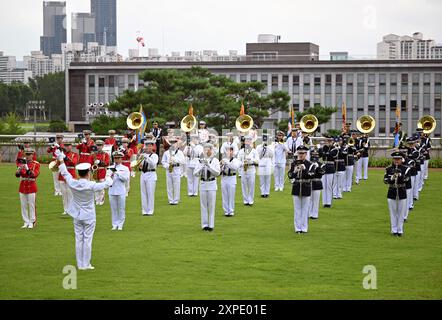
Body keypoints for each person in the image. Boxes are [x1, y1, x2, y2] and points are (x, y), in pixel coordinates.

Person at [55, 151, 113, 270]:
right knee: (87, 240)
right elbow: (107, 184)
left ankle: (80, 264)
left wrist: (61, 160)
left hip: (77, 214)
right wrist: (109, 174)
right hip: (89, 216)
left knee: (79, 239)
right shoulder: (91, 185)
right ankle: (85, 264)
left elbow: (65, 173)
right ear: (88, 173)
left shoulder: (73, 183)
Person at [288, 145, 315, 234]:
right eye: (299, 153)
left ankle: (304, 228)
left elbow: (311, 175)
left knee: (305, 208)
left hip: (306, 186)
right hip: (296, 186)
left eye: (303, 153)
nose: (301, 155)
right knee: (297, 209)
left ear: (306, 154)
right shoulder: (294, 163)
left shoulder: (310, 164)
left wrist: (305, 169)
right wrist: (295, 171)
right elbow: (290, 175)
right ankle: (297, 228)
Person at [193, 143, 221, 231]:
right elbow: (195, 173)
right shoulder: (200, 161)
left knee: (211, 206)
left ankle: (211, 225)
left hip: (212, 184)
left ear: (211, 150)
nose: (206, 151)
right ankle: (204, 225)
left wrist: (208, 165)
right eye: (204, 149)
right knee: (203, 205)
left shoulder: (215, 160)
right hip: (203, 183)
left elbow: (217, 173)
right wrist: (202, 166)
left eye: (208, 149)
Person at [383, 151, 410, 237]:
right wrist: (392, 177)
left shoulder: (406, 169)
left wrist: (400, 175)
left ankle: (400, 230)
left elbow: (406, 179)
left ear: (401, 159)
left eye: (398, 159)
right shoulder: (389, 169)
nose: (396, 161)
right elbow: (385, 180)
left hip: (402, 192)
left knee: (401, 212)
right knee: (393, 212)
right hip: (392, 192)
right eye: (395, 159)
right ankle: (394, 230)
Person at [15, 148, 40, 229]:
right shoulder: (21, 163)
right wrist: (19, 170)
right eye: (27, 154)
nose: (28, 156)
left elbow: (34, 174)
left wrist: (27, 168)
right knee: (23, 205)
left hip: (31, 186)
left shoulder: (36, 164)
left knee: (32, 205)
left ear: (32, 155)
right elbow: (17, 175)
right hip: (23, 185)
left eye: (29, 154)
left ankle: (32, 222)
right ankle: (26, 221)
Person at [108, 151, 130, 230]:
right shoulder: (110, 167)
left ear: (121, 159)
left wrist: (117, 173)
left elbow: (125, 179)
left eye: (118, 158)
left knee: (121, 208)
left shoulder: (125, 168)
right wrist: (110, 176)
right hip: (112, 190)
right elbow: (107, 179)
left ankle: (120, 224)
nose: (116, 160)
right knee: (113, 208)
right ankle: (114, 224)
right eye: (115, 158)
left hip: (120, 190)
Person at [161, 138, 185, 205]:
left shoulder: (180, 152)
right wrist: (167, 166)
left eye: (174, 143)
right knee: (169, 185)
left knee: (176, 185)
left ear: (176, 144)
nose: (173, 144)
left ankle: (176, 200)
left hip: (177, 168)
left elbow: (183, 161)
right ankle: (170, 200)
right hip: (169, 169)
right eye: (171, 143)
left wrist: (175, 159)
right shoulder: (166, 153)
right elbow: (163, 161)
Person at [237, 136, 259, 206]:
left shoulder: (254, 151)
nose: (247, 143)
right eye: (246, 141)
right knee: (244, 186)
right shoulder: (241, 151)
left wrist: (251, 160)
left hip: (251, 169)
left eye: (249, 141)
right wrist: (243, 163)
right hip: (243, 169)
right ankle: (245, 200)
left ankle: (251, 200)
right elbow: (238, 161)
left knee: (251, 185)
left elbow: (258, 161)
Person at [139, 140, 159, 216]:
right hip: (143, 173)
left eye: (150, 146)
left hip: (151, 174)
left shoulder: (154, 155)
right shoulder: (143, 155)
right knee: (143, 193)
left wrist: (146, 157)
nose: (148, 147)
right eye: (147, 146)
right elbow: (140, 165)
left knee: (150, 193)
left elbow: (153, 163)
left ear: (152, 147)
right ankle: (144, 210)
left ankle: (150, 210)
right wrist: (139, 162)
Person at [220, 146, 241, 217]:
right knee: (224, 195)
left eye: (230, 151)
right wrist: (221, 165)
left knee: (231, 195)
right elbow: (219, 169)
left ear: (232, 152)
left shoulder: (236, 160)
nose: (229, 152)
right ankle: (226, 211)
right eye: (227, 151)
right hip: (224, 177)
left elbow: (234, 167)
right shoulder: (224, 160)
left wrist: (227, 163)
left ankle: (231, 211)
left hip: (232, 178)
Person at [59, 142, 79, 215]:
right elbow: (58, 164)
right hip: (62, 175)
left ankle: (72, 209)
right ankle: (66, 209)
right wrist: (59, 157)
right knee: (64, 194)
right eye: (66, 146)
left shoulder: (74, 154)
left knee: (70, 194)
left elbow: (74, 162)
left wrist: (65, 157)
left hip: (71, 175)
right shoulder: (62, 154)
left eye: (68, 146)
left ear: (71, 146)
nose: (67, 147)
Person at [319, 137, 339, 208]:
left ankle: (329, 202)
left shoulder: (335, 148)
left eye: (330, 141)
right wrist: (323, 151)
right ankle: (324, 202)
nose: (328, 142)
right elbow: (320, 154)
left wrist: (325, 153)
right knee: (324, 186)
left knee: (329, 186)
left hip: (330, 167)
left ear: (333, 141)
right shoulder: (323, 148)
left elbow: (331, 155)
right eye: (327, 141)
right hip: (324, 167)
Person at [93, 140, 110, 206]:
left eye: (100, 145)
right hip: (95, 172)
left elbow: (107, 163)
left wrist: (99, 162)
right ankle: (97, 200)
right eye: (97, 145)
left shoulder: (105, 154)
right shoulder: (94, 154)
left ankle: (101, 200)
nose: (98, 147)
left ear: (103, 146)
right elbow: (91, 163)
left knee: (101, 186)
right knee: (96, 187)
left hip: (102, 171)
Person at [309, 151, 325, 219]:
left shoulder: (321, 164)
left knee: (316, 200)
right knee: (309, 200)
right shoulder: (308, 164)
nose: (314, 156)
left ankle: (315, 214)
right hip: (309, 183)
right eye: (313, 155)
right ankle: (309, 213)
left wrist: (317, 167)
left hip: (317, 182)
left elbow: (322, 172)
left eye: (316, 155)